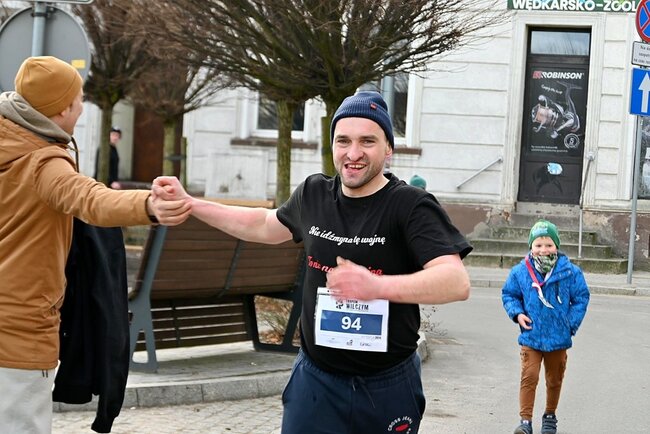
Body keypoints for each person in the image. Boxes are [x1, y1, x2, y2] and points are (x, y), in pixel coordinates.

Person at [153, 91, 473, 433]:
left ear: (388, 149)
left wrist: (377, 286)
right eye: (343, 141)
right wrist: (192, 204)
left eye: (367, 141)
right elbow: (262, 224)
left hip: (387, 385)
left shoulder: (411, 206)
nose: (353, 153)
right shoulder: (313, 194)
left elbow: (456, 281)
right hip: (317, 382)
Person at [0, 56, 190, 434]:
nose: (82, 107)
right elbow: (91, 199)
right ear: (61, 109)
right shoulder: (42, 163)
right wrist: (149, 205)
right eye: (78, 100)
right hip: (20, 330)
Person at [501, 220, 590, 434]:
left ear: (556, 246)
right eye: (538, 245)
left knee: (554, 379)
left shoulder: (570, 272)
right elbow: (509, 294)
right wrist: (517, 313)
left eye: (549, 245)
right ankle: (525, 422)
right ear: (531, 246)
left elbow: (581, 297)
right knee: (529, 377)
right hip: (531, 336)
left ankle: (550, 415)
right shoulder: (520, 271)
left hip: (558, 338)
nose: (543, 250)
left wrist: (570, 324)